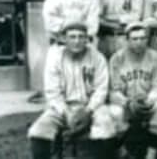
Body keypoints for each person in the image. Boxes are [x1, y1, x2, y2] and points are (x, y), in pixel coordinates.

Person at [27, 21, 114, 159]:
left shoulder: (98, 58)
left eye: (81, 37)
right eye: (72, 37)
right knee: (38, 130)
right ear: (64, 39)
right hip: (62, 108)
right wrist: (66, 112)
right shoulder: (55, 58)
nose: (77, 41)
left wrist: (88, 111)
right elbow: (52, 92)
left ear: (87, 39)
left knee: (106, 125)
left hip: (91, 106)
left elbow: (101, 90)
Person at [108, 22, 157, 159]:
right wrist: (127, 102)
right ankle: (123, 154)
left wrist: (150, 100)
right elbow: (114, 89)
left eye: (142, 38)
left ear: (147, 39)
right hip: (126, 102)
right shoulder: (117, 58)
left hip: (147, 102)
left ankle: (151, 155)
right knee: (114, 112)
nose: (139, 42)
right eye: (134, 39)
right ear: (127, 40)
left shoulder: (156, 57)